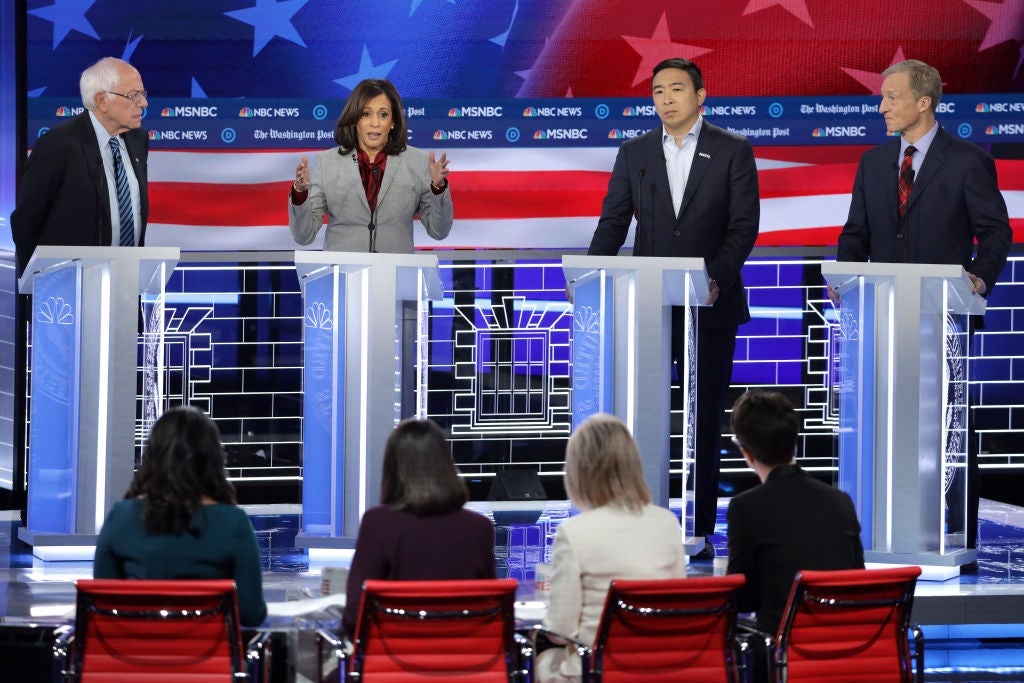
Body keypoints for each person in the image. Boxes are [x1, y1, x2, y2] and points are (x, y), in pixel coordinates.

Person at [836, 59, 1012, 558]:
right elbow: (856, 234)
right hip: (881, 317)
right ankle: (881, 526)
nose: (882, 105)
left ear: (923, 102)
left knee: (946, 424)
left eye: (891, 97)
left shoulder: (966, 160)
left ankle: (952, 529)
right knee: (883, 418)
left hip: (944, 316)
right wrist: (846, 278)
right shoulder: (873, 163)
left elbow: (997, 231)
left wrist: (978, 276)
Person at [586, 57, 760, 558]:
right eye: (658, 90)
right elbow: (614, 222)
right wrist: (592, 274)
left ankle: (699, 527)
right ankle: (638, 516)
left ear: (700, 96)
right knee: (645, 414)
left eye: (676, 89)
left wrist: (715, 277)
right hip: (649, 309)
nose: (665, 98)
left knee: (704, 418)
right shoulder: (634, 152)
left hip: (712, 304)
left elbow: (743, 226)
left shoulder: (733, 151)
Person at [536, 414, 686, 683]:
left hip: (596, 671)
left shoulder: (574, 533)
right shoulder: (667, 523)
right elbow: (675, 610)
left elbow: (560, 630)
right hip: (658, 668)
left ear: (580, 471)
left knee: (542, 660)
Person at [93, 406, 267, 627]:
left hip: (133, 656)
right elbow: (251, 613)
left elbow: (102, 606)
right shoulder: (234, 523)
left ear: (153, 456)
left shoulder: (120, 517)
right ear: (212, 459)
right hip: (208, 658)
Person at [726, 390, 864, 635]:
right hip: (844, 645)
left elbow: (742, 599)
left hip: (782, 655)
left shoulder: (746, 507)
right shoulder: (841, 501)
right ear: (794, 441)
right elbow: (856, 585)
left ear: (747, 453)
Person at [342, 418, 494, 637]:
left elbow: (354, 617)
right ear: (446, 466)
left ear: (393, 469)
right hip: (464, 663)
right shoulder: (479, 528)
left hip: (393, 664)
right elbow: (490, 611)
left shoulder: (378, 524)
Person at [11, 57, 149, 276]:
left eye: (143, 94)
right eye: (134, 96)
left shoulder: (138, 140)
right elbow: (26, 222)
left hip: (126, 284)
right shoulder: (59, 143)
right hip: (69, 291)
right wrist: (42, 284)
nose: (143, 103)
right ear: (102, 100)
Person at [289, 78, 453, 253]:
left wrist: (438, 188)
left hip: (394, 276)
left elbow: (439, 231)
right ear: (354, 119)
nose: (375, 123)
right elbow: (303, 236)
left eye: (383, 115)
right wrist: (300, 193)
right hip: (343, 275)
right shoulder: (327, 162)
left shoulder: (417, 162)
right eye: (366, 114)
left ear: (393, 122)